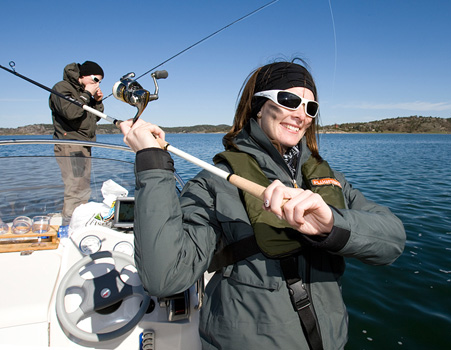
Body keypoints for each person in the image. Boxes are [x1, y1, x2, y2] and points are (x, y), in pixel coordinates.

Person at [120, 60, 406, 350]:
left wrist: (332, 224)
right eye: (289, 100)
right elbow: (165, 276)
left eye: (310, 108)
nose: (300, 115)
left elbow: (392, 242)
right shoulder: (215, 184)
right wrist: (152, 162)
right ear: (258, 105)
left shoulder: (330, 180)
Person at [49, 61, 104, 225]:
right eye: (95, 79)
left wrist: (97, 101)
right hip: (70, 144)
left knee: (83, 187)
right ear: (83, 75)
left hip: (83, 145)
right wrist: (87, 94)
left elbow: (94, 117)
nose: (97, 84)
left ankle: (79, 221)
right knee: (75, 188)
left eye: (100, 81)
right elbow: (71, 112)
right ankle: (69, 226)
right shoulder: (62, 88)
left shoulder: (83, 93)